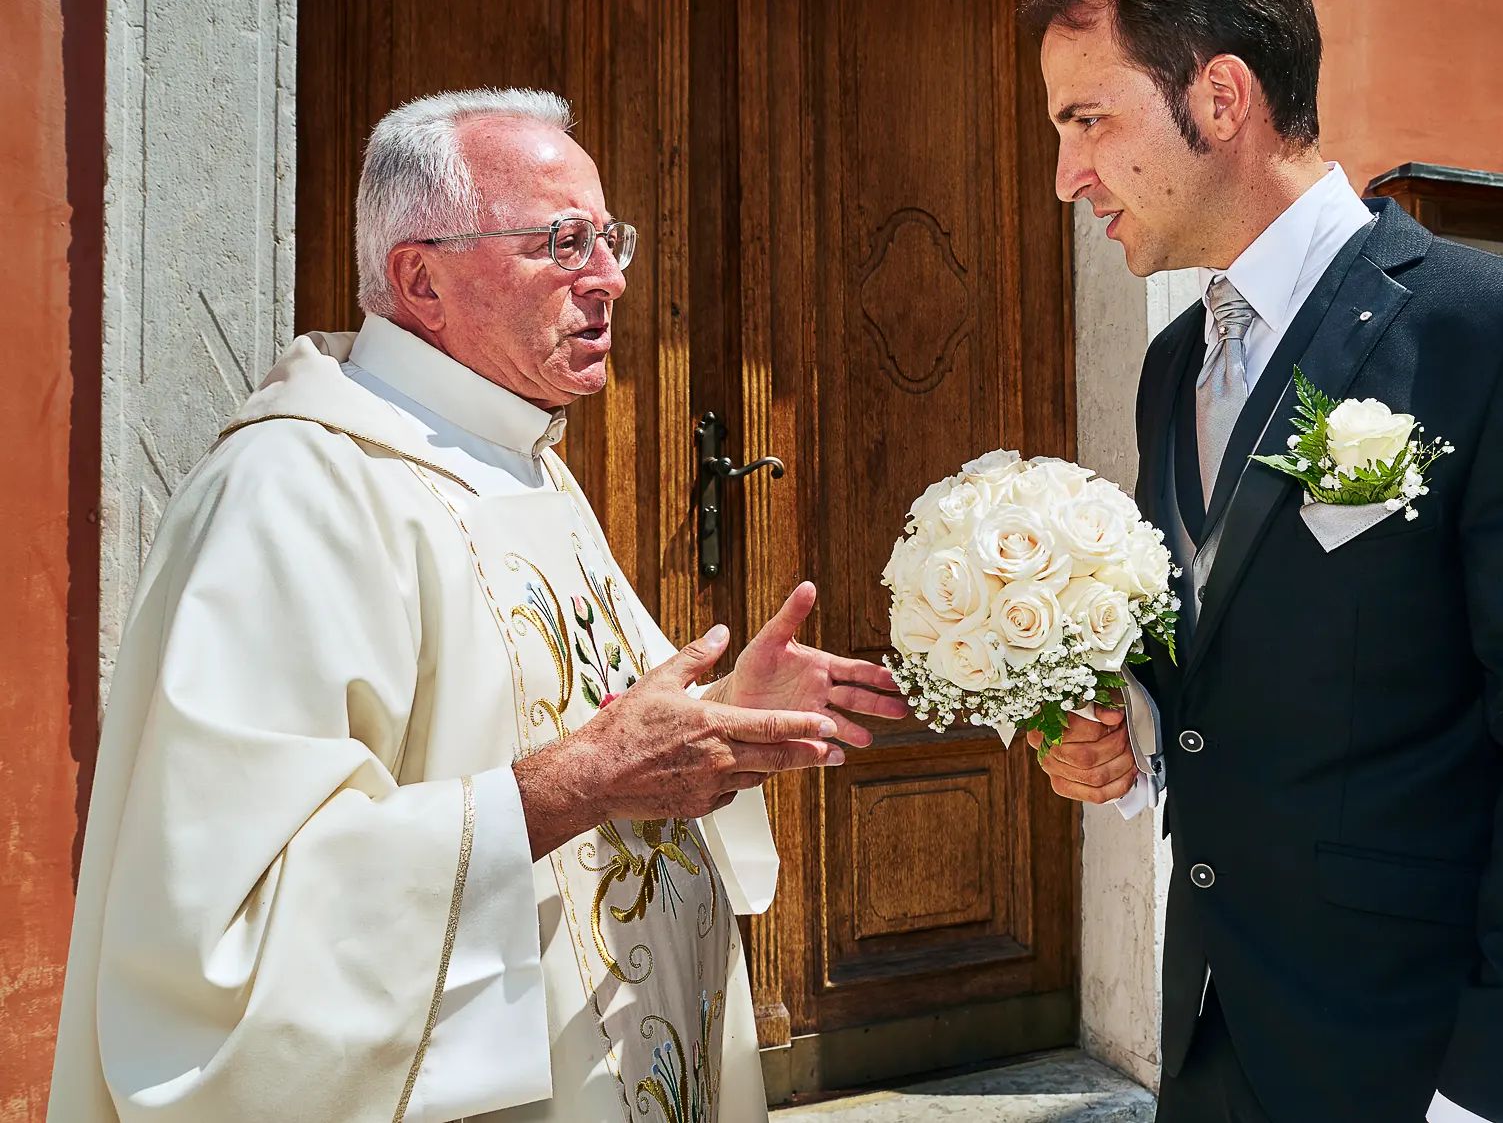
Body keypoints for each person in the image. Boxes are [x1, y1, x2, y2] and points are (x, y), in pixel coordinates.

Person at [49, 89, 906, 1122]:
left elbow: (591, 731)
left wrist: (724, 716)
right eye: (562, 241)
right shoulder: (294, 490)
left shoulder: (521, 462)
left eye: (609, 237)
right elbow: (234, 923)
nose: (613, 278)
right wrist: (583, 781)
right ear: (421, 278)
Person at [1022, 0, 1503, 1122]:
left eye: (1088, 121)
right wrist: (1135, 721)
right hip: (1215, 1034)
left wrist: (1499, 1087)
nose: (1068, 176)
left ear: (1220, 99)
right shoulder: (1174, 364)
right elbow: (1225, 625)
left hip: (1422, 1056)